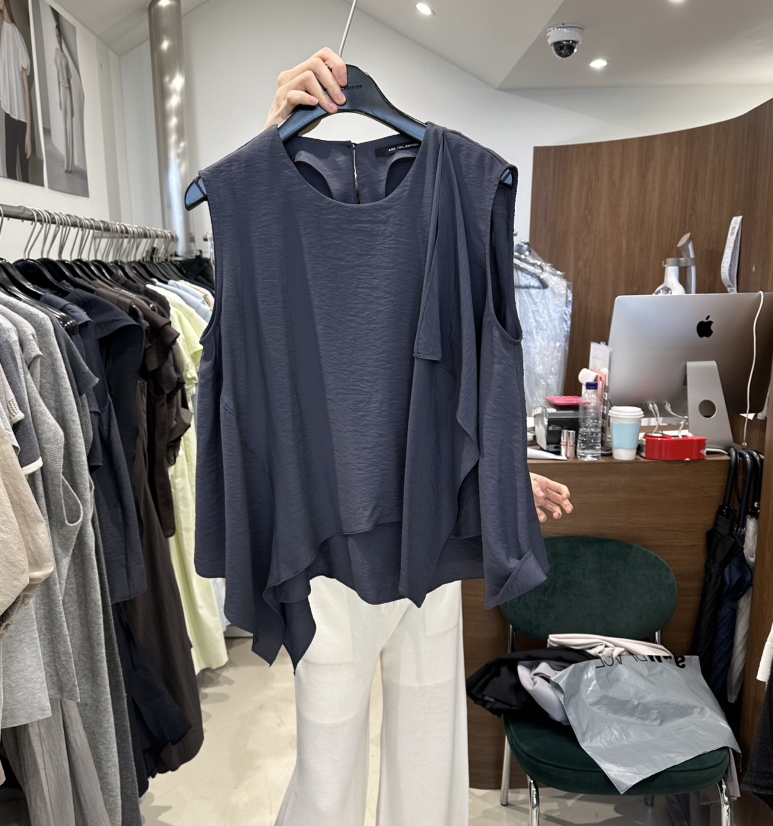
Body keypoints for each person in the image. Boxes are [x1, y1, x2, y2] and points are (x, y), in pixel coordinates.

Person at [262, 48, 573, 826]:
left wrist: (497, 480)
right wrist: (270, 144)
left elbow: (474, 372)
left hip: (431, 534)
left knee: (428, 758)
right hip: (329, 546)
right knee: (328, 767)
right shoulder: (270, 205)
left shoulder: (462, 189)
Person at [0, 0, 31, 182]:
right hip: (9, 111)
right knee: (10, 169)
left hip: (22, 116)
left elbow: (26, 89)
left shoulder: (17, 36)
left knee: (25, 172)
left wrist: (29, 134)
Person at [54, 23, 73, 173]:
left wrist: (71, 103)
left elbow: (70, 81)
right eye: (57, 36)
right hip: (61, 89)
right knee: (64, 126)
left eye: (59, 35)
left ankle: (70, 165)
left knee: (70, 127)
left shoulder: (66, 57)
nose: (58, 38)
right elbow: (57, 77)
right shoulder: (57, 55)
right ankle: (66, 164)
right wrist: (59, 98)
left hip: (67, 90)